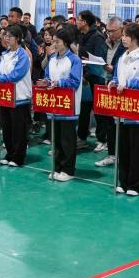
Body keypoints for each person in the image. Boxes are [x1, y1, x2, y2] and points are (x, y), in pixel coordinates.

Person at [112, 23, 139, 196]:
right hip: (123, 110)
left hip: (138, 112)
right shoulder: (122, 57)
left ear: (135, 38)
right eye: (122, 35)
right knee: (123, 149)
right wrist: (113, 82)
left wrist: (129, 84)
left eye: (126, 35)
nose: (123, 38)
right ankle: (123, 182)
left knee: (137, 150)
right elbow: (116, 76)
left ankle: (135, 186)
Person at [0, 25, 32, 167]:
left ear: (17, 38)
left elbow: (16, 75)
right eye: (5, 36)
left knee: (19, 129)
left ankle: (18, 157)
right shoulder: (4, 54)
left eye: (9, 36)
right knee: (7, 128)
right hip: (5, 96)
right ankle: (9, 153)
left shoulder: (23, 55)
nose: (6, 38)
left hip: (20, 97)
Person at [42, 27, 83, 181]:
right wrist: (46, 82)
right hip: (54, 103)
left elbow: (75, 81)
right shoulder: (52, 58)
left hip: (68, 105)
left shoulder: (74, 60)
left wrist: (58, 82)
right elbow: (48, 75)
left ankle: (68, 170)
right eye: (53, 41)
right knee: (57, 139)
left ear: (65, 43)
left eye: (57, 42)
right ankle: (57, 167)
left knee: (67, 140)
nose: (54, 44)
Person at [94, 18, 125, 167]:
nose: (110, 34)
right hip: (106, 85)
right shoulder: (104, 43)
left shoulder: (125, 46)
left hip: (121, 90)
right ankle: (112, 154)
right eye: (108, 31)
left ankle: (122, 155)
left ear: (121, 29)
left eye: (113, 31)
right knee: (108, 123)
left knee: (121, 124)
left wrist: (113, 70)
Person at [77, 11, 107, 150]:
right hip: (85, 78)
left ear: (85, 22)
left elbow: (99, 61)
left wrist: (87, 74)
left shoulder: (97, 37)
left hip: (96, 78)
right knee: (84, 109)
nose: (77, 22)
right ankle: (82, 137)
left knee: (99, 110)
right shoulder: (83, 36)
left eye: (79, 19)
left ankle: (102, 140)